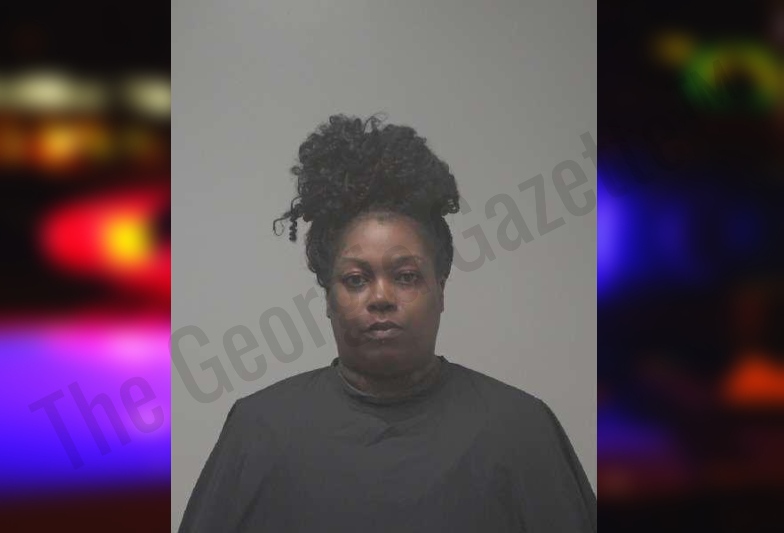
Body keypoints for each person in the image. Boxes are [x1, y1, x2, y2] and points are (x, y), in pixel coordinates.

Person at [179, 114, 596, 532]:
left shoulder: (520, 429)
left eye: (406, 276)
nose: (381, 297)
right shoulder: (260, 430)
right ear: (328, 298)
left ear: (441, 289)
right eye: (356, 279)